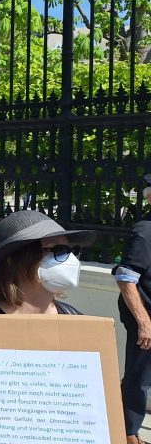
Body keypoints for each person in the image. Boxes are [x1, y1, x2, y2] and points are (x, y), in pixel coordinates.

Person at [0, 209, 97, 315]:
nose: (70, 259)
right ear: (14, 260)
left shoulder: (74, 319)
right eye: (58, 250)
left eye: (72, 250)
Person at [114, 175, 151, 444]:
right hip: (148, 317)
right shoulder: (146, 230)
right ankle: (128, 433)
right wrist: (144, 322)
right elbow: (127, 277)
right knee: (139, 379)